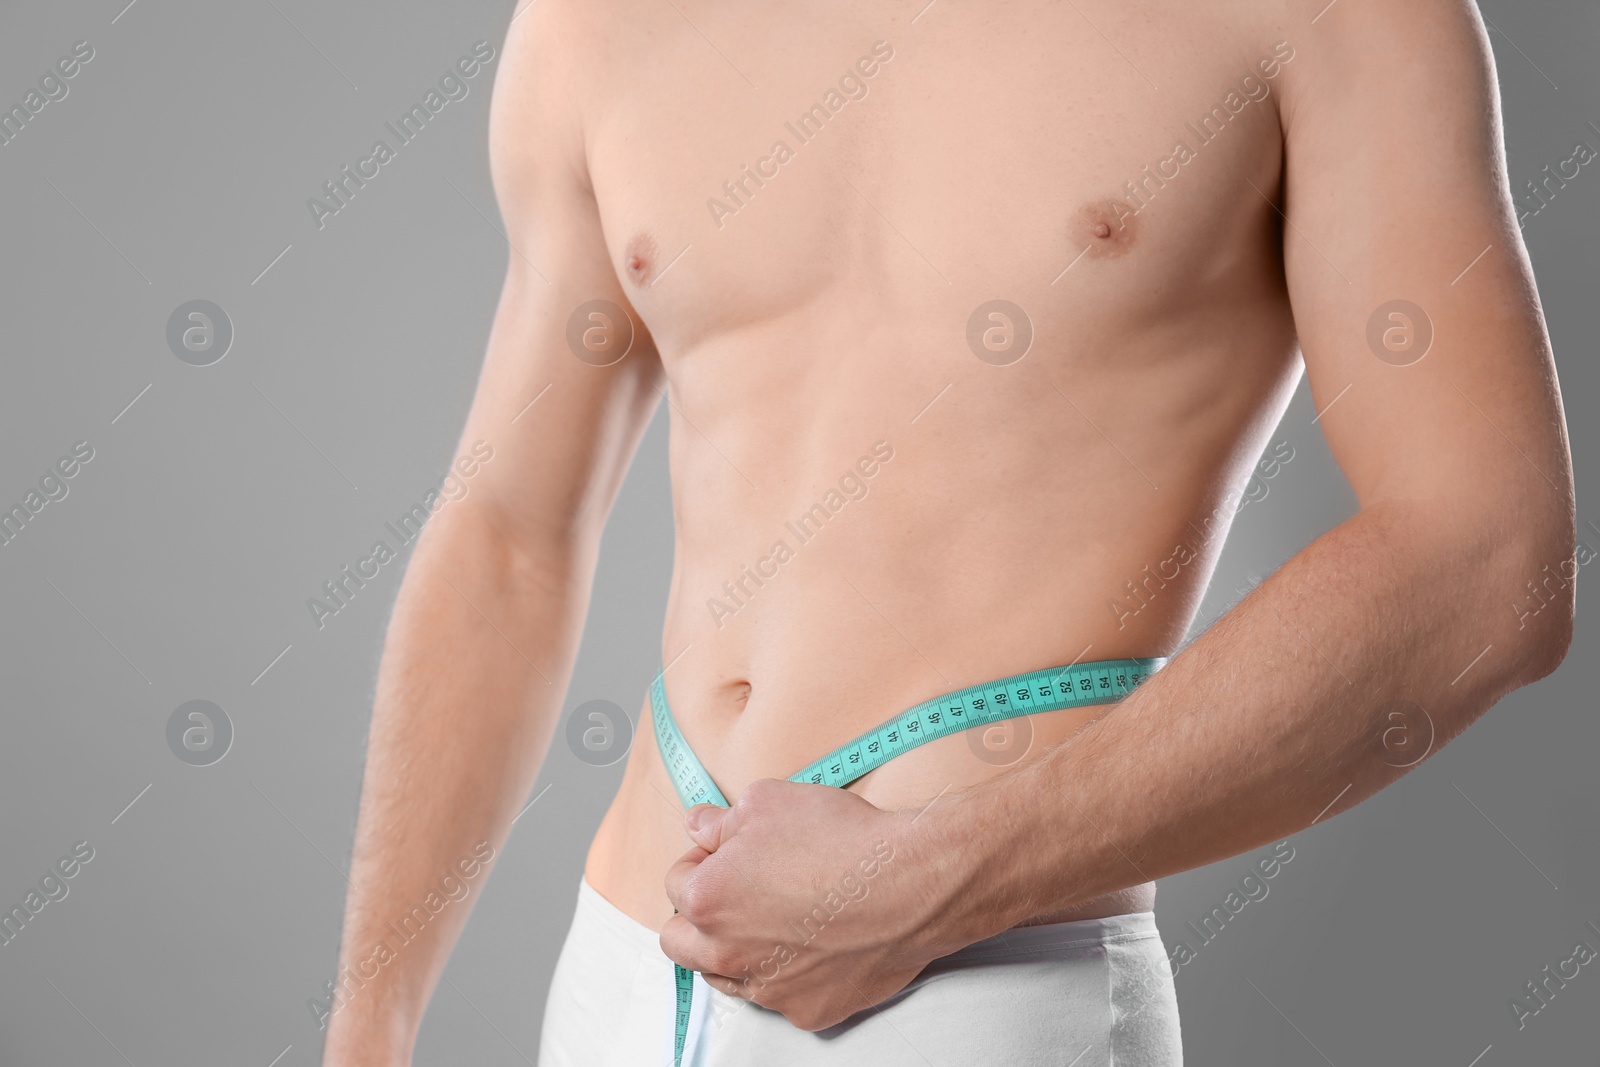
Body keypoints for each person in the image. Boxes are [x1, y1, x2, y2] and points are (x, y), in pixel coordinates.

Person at [320, 0, 1575, 1063]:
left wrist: (934, 882)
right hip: (618, 977)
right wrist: (366, 1029)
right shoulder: (599, 20)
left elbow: (1486, 558)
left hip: (978, 982)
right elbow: (507, 533)